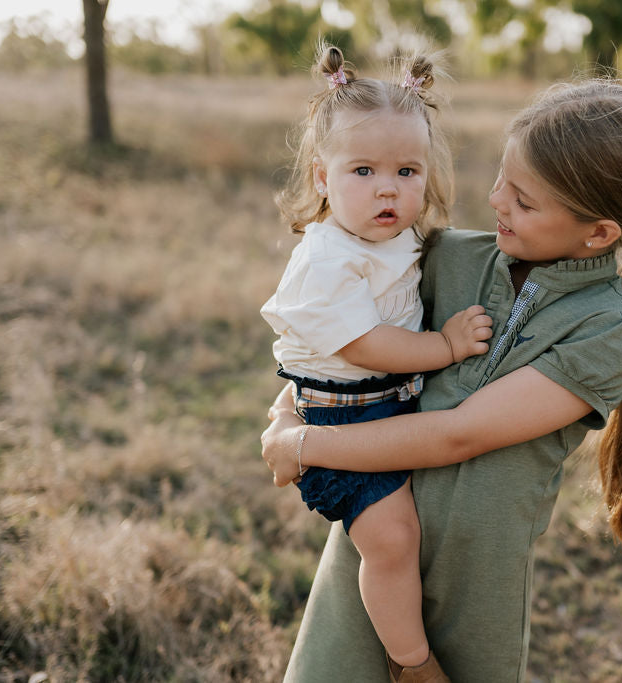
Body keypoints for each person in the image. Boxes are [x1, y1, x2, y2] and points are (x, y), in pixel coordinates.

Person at [262, 78, 622, 682]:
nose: (495, 202)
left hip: (478, 574)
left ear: (598, 233)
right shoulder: (450, 258)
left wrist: (301, 446)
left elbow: (459, 435)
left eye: (522, 200)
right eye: (500, 180)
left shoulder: (610, 330)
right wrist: (289, 410)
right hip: (378, 536)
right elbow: (339, 340)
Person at [259, 43, 492, 682]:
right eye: (362, 170)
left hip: (389, 402)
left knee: (423, 528)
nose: (387, 187)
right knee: (392, 541)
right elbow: (364, 345)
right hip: (341, 419)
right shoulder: (327, 258)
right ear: (321, 178)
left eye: (407, 172)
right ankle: (410, 663)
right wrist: (443, 348)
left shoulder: (401, 233)